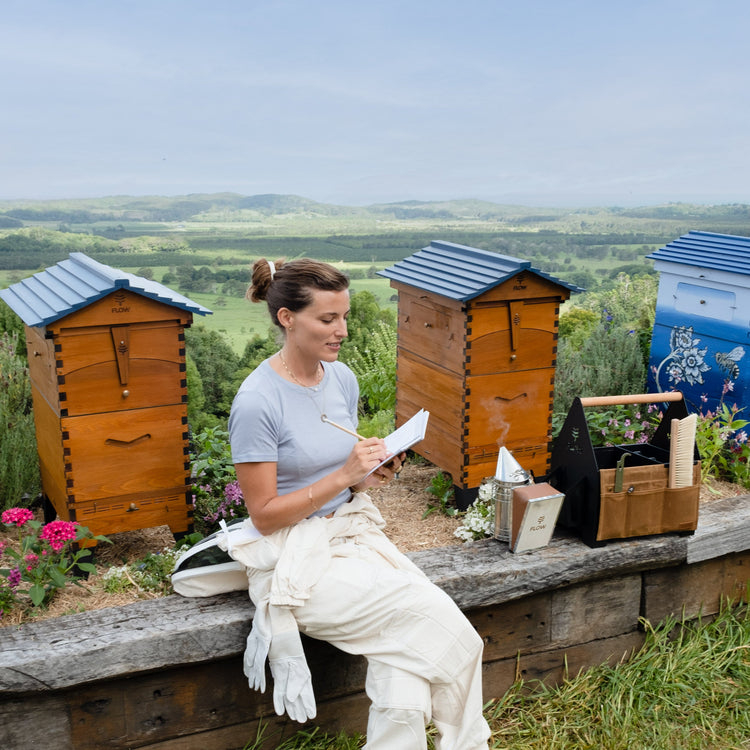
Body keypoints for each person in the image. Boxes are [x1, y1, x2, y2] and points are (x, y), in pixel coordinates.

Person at [224, 257, 491, 749]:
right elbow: (263, 517)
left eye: (344, 316)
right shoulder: (258, 401)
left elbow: (344, 477)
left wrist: (367, 475)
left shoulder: (339, 378)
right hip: (293, 559)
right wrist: (343, 475)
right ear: (287, 318)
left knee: (402, 664)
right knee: (447, 628)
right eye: (328, 319)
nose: (342, 330)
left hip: (346, 534)